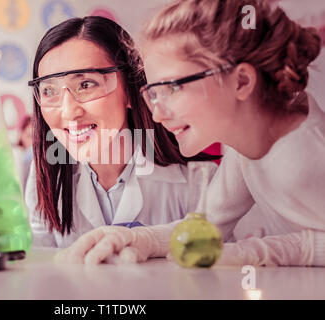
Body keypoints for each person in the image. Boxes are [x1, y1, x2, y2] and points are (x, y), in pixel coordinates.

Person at [55, 0, 325, 266]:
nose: (157, 115)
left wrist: (261, 252)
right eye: (153, 94)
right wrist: (141, 238)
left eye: (171, 88)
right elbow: (206, 226)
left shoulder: (304, 156)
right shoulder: (246, 148)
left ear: (241, 81)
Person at [25, 16, 219, 248]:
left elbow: (222, 261)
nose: (68, 112)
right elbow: (42, 267)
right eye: (49, 90)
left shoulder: (198, 178)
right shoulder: (46, 176)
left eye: (86, 84)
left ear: (129, 89)